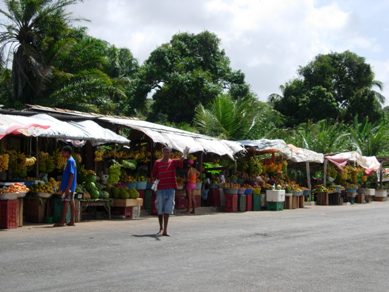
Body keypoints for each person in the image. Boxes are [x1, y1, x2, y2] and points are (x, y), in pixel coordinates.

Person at [152, 146, 187, 236]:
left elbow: (181, 160)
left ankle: (165, 230)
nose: (166, 153)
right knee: (160, 210)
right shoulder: (157, 162)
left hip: (170, 189)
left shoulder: (173, 162)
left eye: (168, 152)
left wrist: (185, 153)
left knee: (167, 210)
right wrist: (155, 184)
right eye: (165, 152)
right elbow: (154, 174)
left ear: (170, 153)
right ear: (162, 152)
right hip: (160, 189)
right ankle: (161, 228)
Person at [54, 146, 77, 227]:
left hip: (69, 187)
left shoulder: (70, 161)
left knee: (65, 203)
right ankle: (72, 221)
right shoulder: (71, 160)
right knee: (71, 202)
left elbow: (71, 175)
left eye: (63, 152)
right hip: (71, 186)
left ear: (67, 152)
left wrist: (67, 188)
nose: (62, 154)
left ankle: (62, 222)